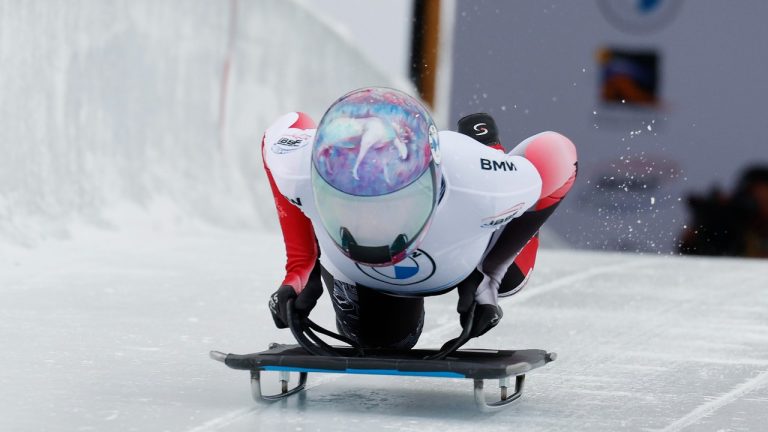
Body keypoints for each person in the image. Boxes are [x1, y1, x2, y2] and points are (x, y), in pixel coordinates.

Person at [262, 87, 577, 350]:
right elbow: (282, 133)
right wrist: (301, 270)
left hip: (472, 203)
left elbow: (558, 155)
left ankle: (489, 149)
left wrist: (491, 274)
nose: (370, 226)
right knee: (381, 343)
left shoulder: (482, 186)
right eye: (347, 204)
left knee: (511, 281)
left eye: (388, 206)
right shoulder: (298, 166)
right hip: (362, 272)